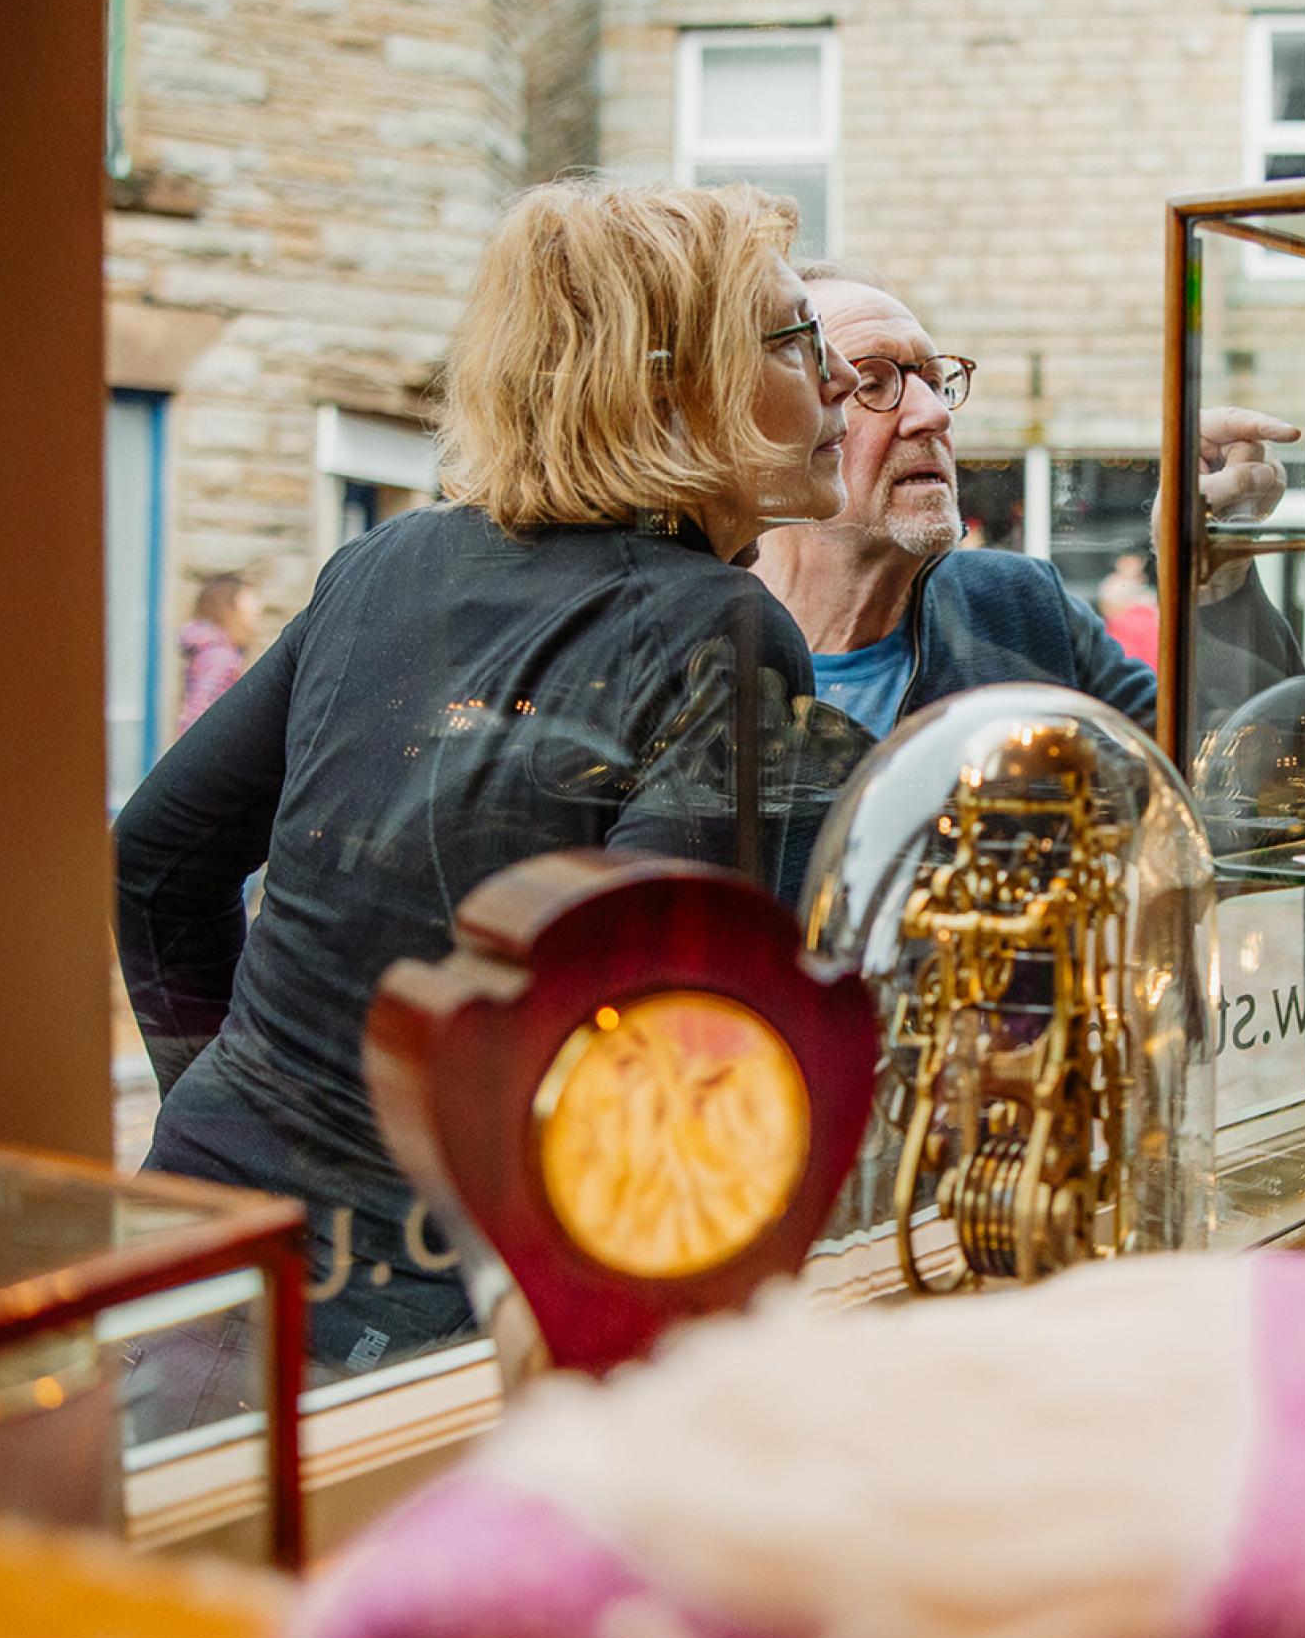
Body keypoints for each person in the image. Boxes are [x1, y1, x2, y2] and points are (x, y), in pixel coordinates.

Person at [114, 180, 856, 1405]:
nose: (840, 378)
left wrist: (238, 1091)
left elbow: (155, 856)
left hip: (208, 1244)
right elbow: (645, 1049)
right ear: (674, 378)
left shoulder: (385, 561)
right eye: (796, 339)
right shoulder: (721, 625)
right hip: (425, 1326)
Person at [751, 265, 1301, 744]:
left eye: (936, 382)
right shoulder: (710, 648)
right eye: (871, 383)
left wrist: (1210, 575)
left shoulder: (1018, 608)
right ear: (763, 428)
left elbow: (1221, 778)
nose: (934, 415)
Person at [176, 572, 260, 735]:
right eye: (249, 600)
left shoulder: (209, 653)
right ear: (229, 607)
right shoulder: (221, 659)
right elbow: (199, 720)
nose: (256, 609)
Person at [1096, 551, 1161, 671]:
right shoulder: (1112, 584)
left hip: (1147, 636)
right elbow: (1107, 610)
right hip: (1126, 634)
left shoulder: (1144, 583)